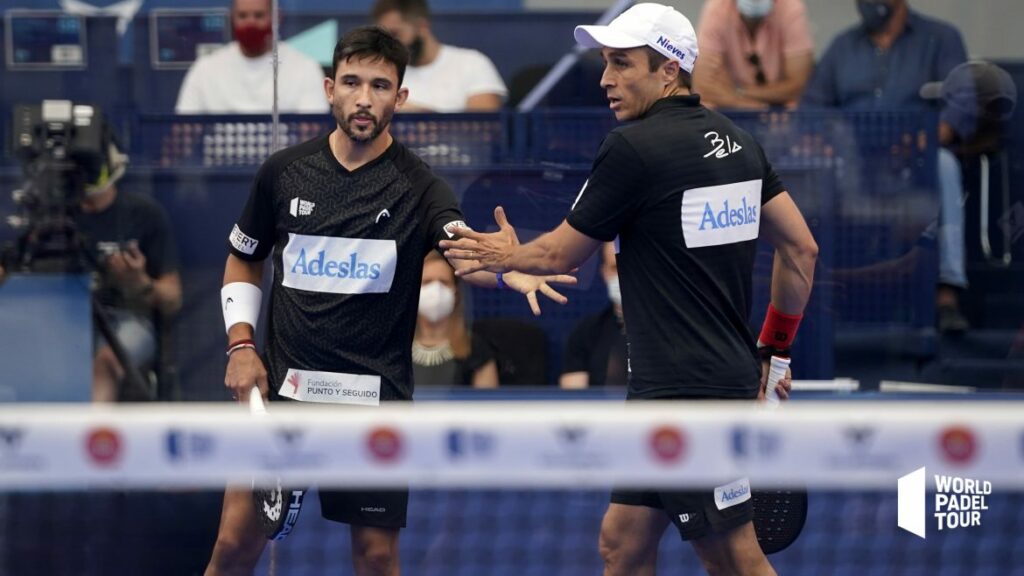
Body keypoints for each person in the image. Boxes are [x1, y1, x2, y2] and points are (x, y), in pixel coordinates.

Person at [440, 4, 818, 575]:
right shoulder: (740, 145)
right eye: (604, 63)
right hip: (700, 381)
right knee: (623, 544)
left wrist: (502, 253)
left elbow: (560, 253)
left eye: (622, 63)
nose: (605, 79)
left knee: (736, 559)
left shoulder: (632, 148)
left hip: (686, 396)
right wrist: (776, 351)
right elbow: (802, 250)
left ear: (669, 70)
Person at [206, 26, 573, 576]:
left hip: (374, 405)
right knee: (234, 546)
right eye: (351, 82)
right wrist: (241, 344)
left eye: (380, 85)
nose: (363, 97)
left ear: (399, 98)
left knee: (376, 559)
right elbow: (244, 256)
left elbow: (459, 250)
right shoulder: (283, 173)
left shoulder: (421, 187)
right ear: (329, 88)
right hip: (285, 395)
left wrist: (505, 269)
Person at [801, 0, 969, 332]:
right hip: (853, 164)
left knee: (946, 164)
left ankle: (947, 292)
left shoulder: (940, 38)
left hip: (914, 162)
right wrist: (817, 138)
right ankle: (814, 293)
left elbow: (962, 105)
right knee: (810, 165)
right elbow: (812, 109)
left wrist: (930, 139)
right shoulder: (842, 46)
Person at [175, 0, 329, 114]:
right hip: (221, 158)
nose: (250, 23)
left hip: (283, 158)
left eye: (259, 15)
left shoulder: (305, 68)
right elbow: (183, 134)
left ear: (276, 18)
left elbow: (311, 136)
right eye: (243, 16)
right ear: (232, 18)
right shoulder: (205, 68)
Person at [372, 0, 507, 112]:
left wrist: (417, 115)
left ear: (422, 27)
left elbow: (485, 129)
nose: (389, 45)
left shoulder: (472, 63)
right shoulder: (380, 74)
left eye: (396, 34)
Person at [693, 0, 814, 110]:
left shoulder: (791, 7)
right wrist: (753, 106)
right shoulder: (717, 7)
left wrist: (740, 92)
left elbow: (799, 86)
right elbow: (703, 85)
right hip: (729, 110)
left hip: (780, 113)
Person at [414, 251, 498, 387]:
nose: (436, 290)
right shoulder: (395, 348)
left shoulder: (477, 350)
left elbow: (488, 406)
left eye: (444, 282)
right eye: (427, 282)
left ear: (456, 293)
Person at [560, 242, 628, 389]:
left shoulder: (671, 328)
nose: (623, 275)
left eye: (629, 267)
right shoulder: (586, 332)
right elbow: (574, 401)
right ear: (604, 273)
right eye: (615, 268)